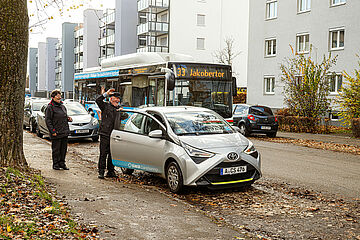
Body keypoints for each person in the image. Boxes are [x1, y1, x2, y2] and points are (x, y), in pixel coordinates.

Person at [96, 88, 122, 179]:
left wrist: (121, 112)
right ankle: (101, 171)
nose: (117, 100)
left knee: (112, 153)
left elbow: (123, 117)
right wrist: (106, 94)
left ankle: (110, 171)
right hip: (105, 133)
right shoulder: (105, 106)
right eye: (115, 98)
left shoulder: (118, 108)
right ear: (111, 99)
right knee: (103, 153)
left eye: (118, 99)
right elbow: (98, 100)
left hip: (114, 134)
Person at [45, 90, 72, 170]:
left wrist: (68, 118)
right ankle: (55, 164)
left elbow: (63, 116)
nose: (59, 97)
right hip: (56, 132)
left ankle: (62, 163)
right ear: (53, 97)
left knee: (63, 149)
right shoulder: (50, 107)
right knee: (56, 149)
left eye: (60, 96)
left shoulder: (62, 106)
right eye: (57, 96)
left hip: (64, 131)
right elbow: (48, 120)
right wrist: (52, 131)